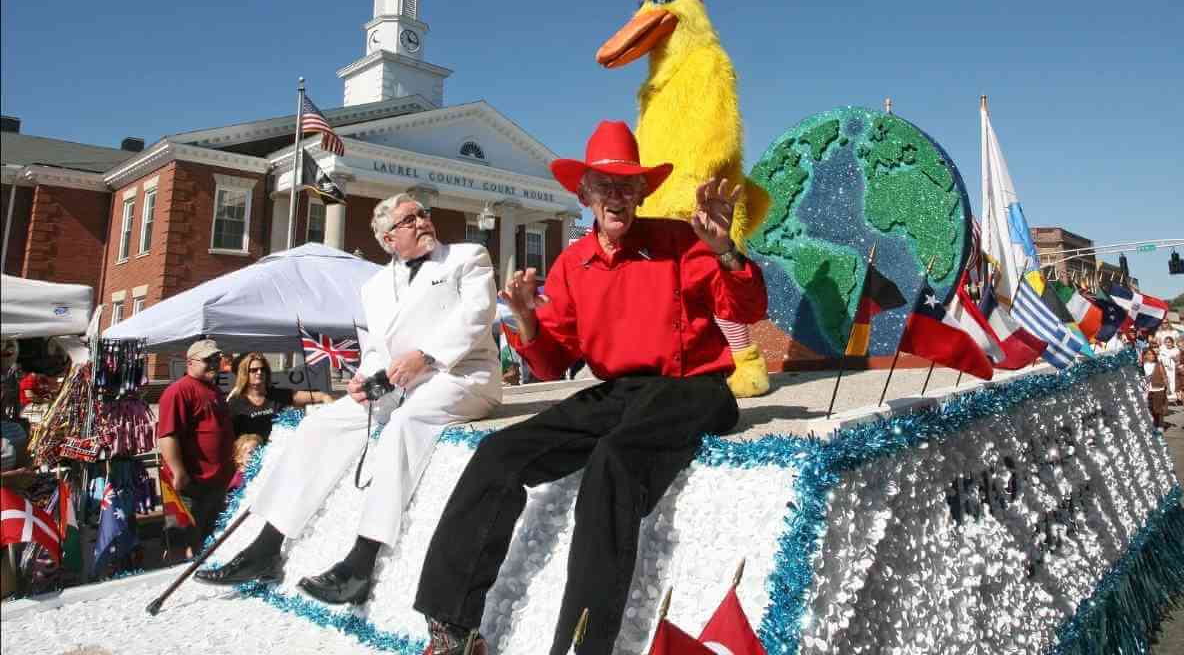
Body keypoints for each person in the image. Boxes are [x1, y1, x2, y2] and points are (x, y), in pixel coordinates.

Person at [412, 121, 768, 655]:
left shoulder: (678, 241)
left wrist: (725, 252)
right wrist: (528, 323)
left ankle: (580, 648)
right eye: (605, 186)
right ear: (584, 195)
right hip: (619, 391)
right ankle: (452, 629)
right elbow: (555, 361)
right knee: (498, 453)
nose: (617, 197)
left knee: (614, 462)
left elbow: (748, 310)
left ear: (643, 193)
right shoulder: (572, 263)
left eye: (628, 186)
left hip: (692, 386)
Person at [196, 192, 501, 606]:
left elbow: (477, 317)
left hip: (460, 375)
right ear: (389, 238)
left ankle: (361, 562)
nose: (424, 221)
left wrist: (426, 356)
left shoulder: (467, 256)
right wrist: (363, 377)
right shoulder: (374, 286)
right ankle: (266, 547)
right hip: (398, 382)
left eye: (423, 214)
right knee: (320, 425)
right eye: (410, 219)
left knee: (403, 426)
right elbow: (376, 348)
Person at [157, 339, 236, 552]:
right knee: (185, 542)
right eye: (208, 360)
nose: (214, 364)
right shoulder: (178, 391)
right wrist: (178, 471)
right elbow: (167, 435)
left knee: (210, 540)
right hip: (192, 486)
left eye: (216, 359)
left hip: (216, 483)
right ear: (190, 362)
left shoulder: (213, 389)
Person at [226, 353, 332, 442]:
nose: (259, 373)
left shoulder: (279, 394)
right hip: (252, 460)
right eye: (254, 370)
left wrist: (327, 400)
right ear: (245, 374)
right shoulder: (235, 402)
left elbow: (319, 396)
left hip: (277, 455)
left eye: (262, 369)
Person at [1142, 348, 1169, 429]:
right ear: (1145, 356)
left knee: (1158, 408)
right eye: (1149, 354)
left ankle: (1160, 425)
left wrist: (1167, 388)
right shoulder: (1142, 365)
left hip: (1158, 388)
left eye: (1153, 354)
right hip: (1147, 390)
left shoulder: (1158, 364)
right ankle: (1155, 423)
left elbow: (1164, 376)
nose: (1152, 356)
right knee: (1150, 408)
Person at [1158, 337, 1181, 403]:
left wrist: (1174, 358)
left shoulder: (1176, 350)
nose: (1168, 344)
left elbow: (1179, 360)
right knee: (1168, 382)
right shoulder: (1162, 351)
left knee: (1174, 382)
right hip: (1166, 369)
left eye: (1169, 342)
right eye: (1166, 342)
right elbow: (1160, 361)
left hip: (1174, 369)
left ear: (1172, 343)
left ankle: (1175, 397)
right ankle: (1169, 397)